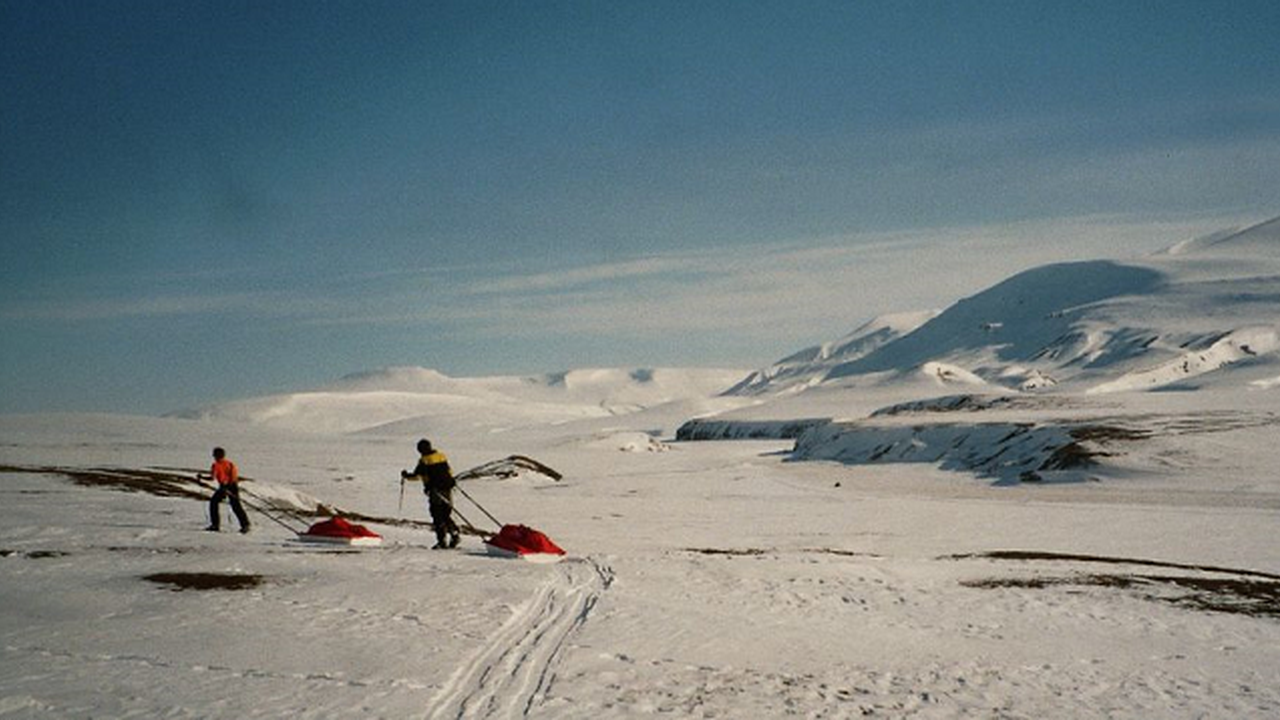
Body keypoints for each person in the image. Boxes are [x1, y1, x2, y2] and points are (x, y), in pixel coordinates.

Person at [401, 438, 460, 549]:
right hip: (447, 489)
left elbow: (417, 476)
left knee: (437, 515)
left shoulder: (424, 460)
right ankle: (454, 532)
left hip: (435, 491)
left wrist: (406, 475)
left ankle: (442, 541)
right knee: (446, 513)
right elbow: (449, 471)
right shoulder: (441, 456)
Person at [205, 447, 250, 533]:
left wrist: (201, 478)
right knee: (236, 506)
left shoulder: (216, 465)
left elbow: (212, 478)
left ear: (216, 456)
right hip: (233, 486)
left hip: (224, 487)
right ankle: (245, 525)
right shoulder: (230, 463)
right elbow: (234, 475)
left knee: (213, 503)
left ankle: (215, 525)